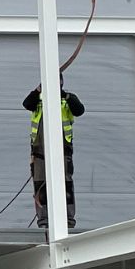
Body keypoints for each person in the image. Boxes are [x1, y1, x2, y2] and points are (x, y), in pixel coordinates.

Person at [23, 75, 85, 230]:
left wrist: (66, 96)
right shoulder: (38, 99)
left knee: (66, 183)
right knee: (40, 183)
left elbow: (79, 110)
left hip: (63, 151)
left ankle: (68, 219)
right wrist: (38, 90)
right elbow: (27, 103)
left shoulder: (67, 99)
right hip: (39, 151)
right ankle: (44, 220)